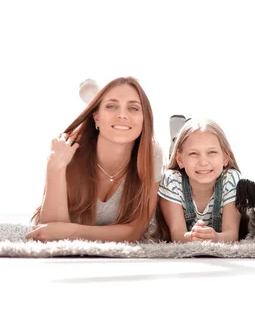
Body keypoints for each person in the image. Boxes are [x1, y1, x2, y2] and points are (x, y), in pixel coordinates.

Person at [28, 77, 163, 242]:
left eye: (133, 108)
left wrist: (73, 232)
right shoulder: (69, 150)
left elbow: (133, 232)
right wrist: (55, 166)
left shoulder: (152, 154)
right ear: (96, 117)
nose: (122, 115)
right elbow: (49, 231)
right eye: (111, 106)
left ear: (145, 119)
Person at [156, 118, 242, 243]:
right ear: (180, 160)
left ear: (225, 157)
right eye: (193, 153)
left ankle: (180, 141)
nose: (203, 162)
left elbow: (231, 235)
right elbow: (177, 235)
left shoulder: (231, 179)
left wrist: (216, 237)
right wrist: (191, 237)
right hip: (179, 173)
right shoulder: (171, 181)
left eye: (212, 152)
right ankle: (175, 141)